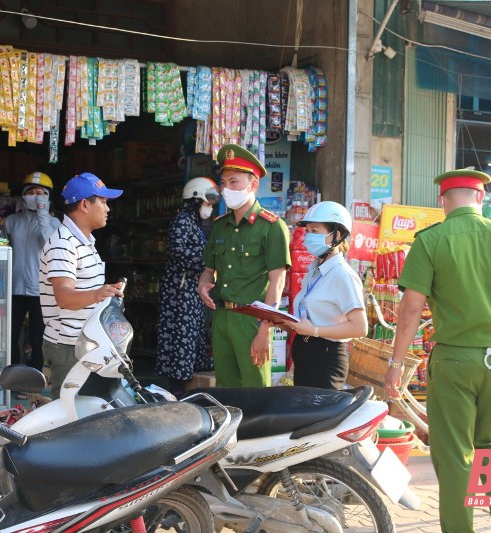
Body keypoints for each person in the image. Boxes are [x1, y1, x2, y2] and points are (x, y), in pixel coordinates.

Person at [384, 169, 491, 533]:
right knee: (490, 448)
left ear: (442, 202)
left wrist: (396, 362)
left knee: (454, 456)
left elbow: (410, 309)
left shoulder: (432, 240)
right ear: (481, 198)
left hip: (454, 360)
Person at [198, 144, 290, 388]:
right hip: (222, 317)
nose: (227, 189)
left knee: (255, 390)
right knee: (226, 390)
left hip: (252, 320)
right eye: (224, 182)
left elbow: (277, 282)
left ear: (253, 184)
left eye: (234, 182)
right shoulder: (220, 225)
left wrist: (265, 331)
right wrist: (203, 283)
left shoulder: (271, 226)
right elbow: (209, 268)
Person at [39, 172, 125, 399]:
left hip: (83, 344)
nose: (108, 208)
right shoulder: (63, 242)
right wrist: (98, 294)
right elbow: (65, 297)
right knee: (67, 416)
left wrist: (106, 295)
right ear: (85, 205)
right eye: (104, 202)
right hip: (69, 346)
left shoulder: (83, 241)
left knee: (85, 411)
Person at [278, 201, 368, 390]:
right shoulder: (314, 270)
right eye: (308, 231)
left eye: (315, 231)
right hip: (306, 356)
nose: (309, 236)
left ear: (336, 235)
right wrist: (280, 322)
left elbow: (360, 327)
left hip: (325, 360)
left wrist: (315, 331)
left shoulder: (342, 274)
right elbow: (311, 320)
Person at [156, 177, 220, 393]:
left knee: (192, 338)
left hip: (191, 290)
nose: (209, 206)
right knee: (180, 339)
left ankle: (188, 385)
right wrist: (209, 263)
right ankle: (177, 390)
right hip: (180, 292)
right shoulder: (183, 220)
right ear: (195, 198)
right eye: (208, 201)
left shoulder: (196, 222)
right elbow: (177, 251)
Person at [4, 172, 61, 371]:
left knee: (38, 337)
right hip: (14, 288)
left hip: (41, 290)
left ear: (48, 197)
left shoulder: (54, 224)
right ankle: (11, 376)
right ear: (22, 195)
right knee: (10, 335)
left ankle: (35, 381)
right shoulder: (11, 221)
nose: (35, 197)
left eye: (40, 193)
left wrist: (43, 214)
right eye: (31, 192)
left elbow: (49, 243)